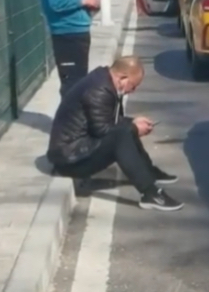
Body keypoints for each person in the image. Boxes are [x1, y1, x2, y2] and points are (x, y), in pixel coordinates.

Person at [46, 56, 184, 211]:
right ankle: (151, 193)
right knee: (121, 136)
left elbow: (106, 120)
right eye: (133, 86)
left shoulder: (104, 81)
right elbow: (103, 131)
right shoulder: (99, 90)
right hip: (70, 160)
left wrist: (133, 122)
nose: (133, 90)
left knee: (125, 131)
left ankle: (149, 173)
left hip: (76, 149)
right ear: (122, 78)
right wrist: (134, 128)